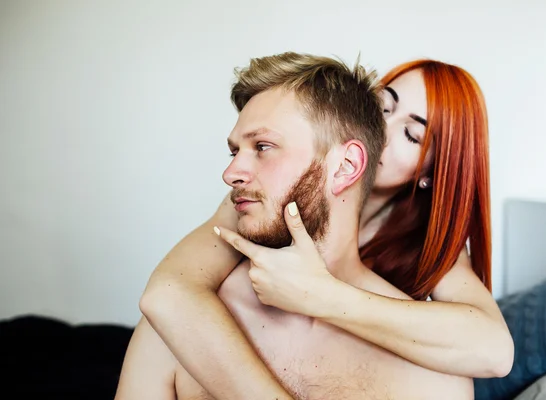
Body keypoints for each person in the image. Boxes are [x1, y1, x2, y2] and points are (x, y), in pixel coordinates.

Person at [128, 54, 514, 399]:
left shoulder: (428, 243)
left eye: (412, 134)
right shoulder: (261, 198)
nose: (383, 130)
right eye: (381, 108)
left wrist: (320, 296)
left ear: (433, 171)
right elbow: (169, 291)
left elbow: (493, 351)